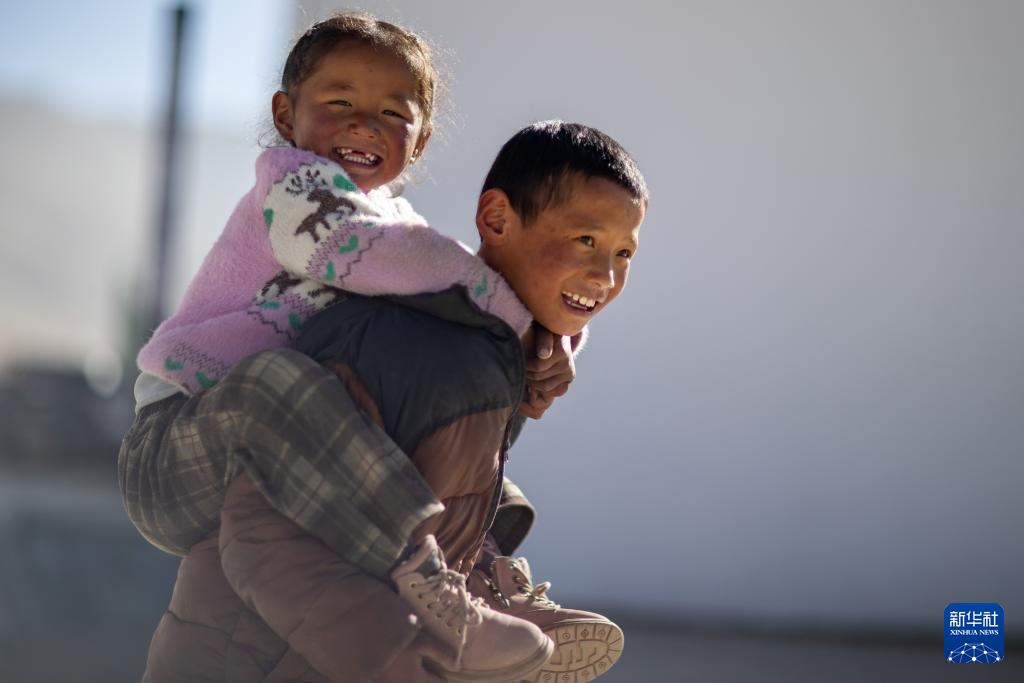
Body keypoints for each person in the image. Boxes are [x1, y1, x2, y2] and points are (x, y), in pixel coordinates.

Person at [118, 12, 615, 682]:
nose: (363, 125)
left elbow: (459, 286)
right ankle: (428, 579)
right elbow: (378, 256)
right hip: (178, 446)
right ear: (286, 113)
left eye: (392, 113)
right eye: (340, 103)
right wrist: (507, 312)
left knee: (426, 409)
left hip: (283, 458)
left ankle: (485, 578)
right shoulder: (295, 186)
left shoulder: (402, 229)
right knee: (276, 382)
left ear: (421, 140)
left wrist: (549, 345)